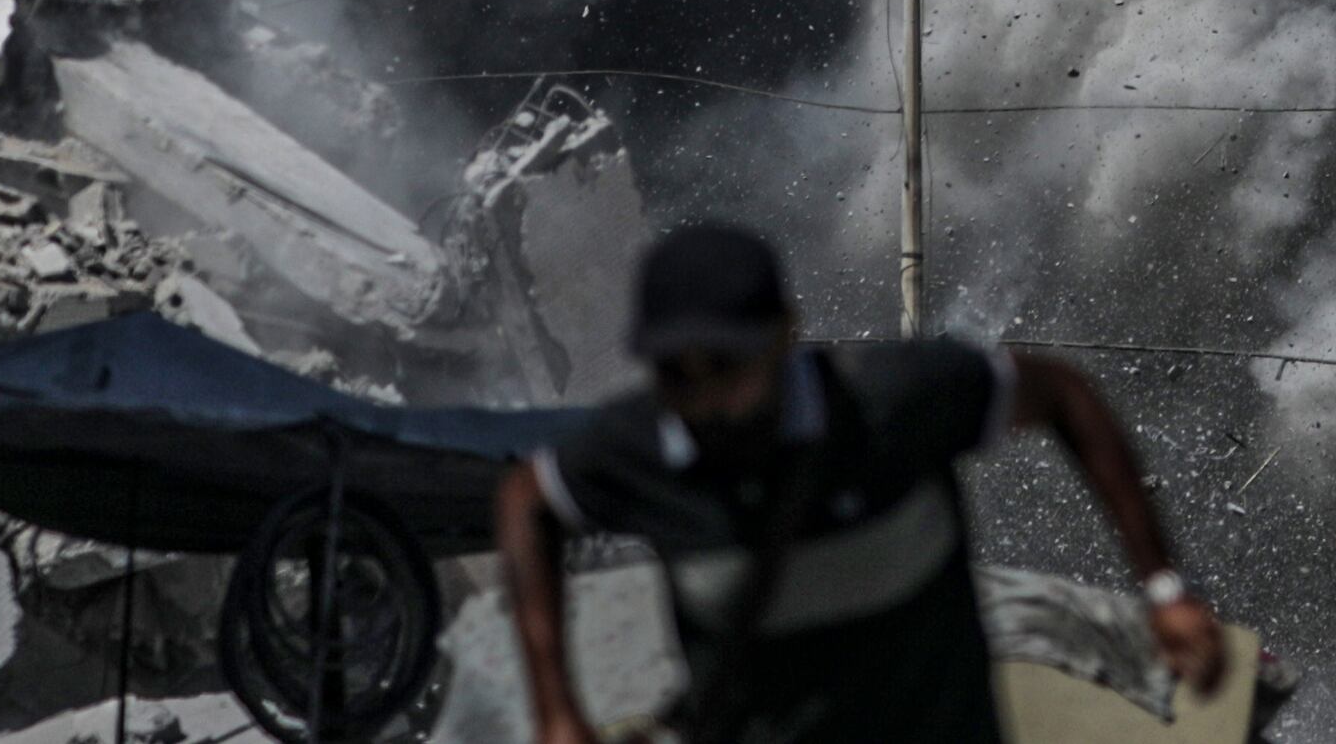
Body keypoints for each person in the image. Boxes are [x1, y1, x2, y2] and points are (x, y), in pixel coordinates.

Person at [494, 223, 1226, 744]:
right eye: (674, 374)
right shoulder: (640, 450)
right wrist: (557, 711)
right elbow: (529, 500)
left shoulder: (894, 403)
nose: (705, 399)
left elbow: (1062, 392)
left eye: (726, 366)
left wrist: (1162, 587)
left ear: (785, 334)